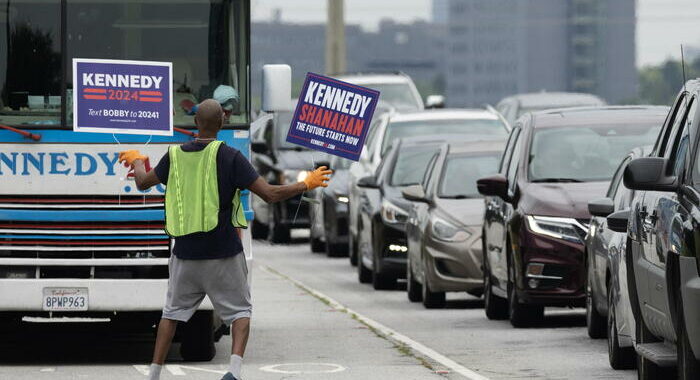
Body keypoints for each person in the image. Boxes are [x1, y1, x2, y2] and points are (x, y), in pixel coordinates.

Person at [118, 99, 331, 380]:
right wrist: (307, 183)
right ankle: (234, 371)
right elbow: (269, 194)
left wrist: (135, 159)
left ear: (196, 124)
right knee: (241, 311)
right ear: (222, 123)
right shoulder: (231, 157)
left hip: (185, 254)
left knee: (171, 314)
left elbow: (143, 182)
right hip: (223, 254)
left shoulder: (174, 156)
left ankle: (154, 373)